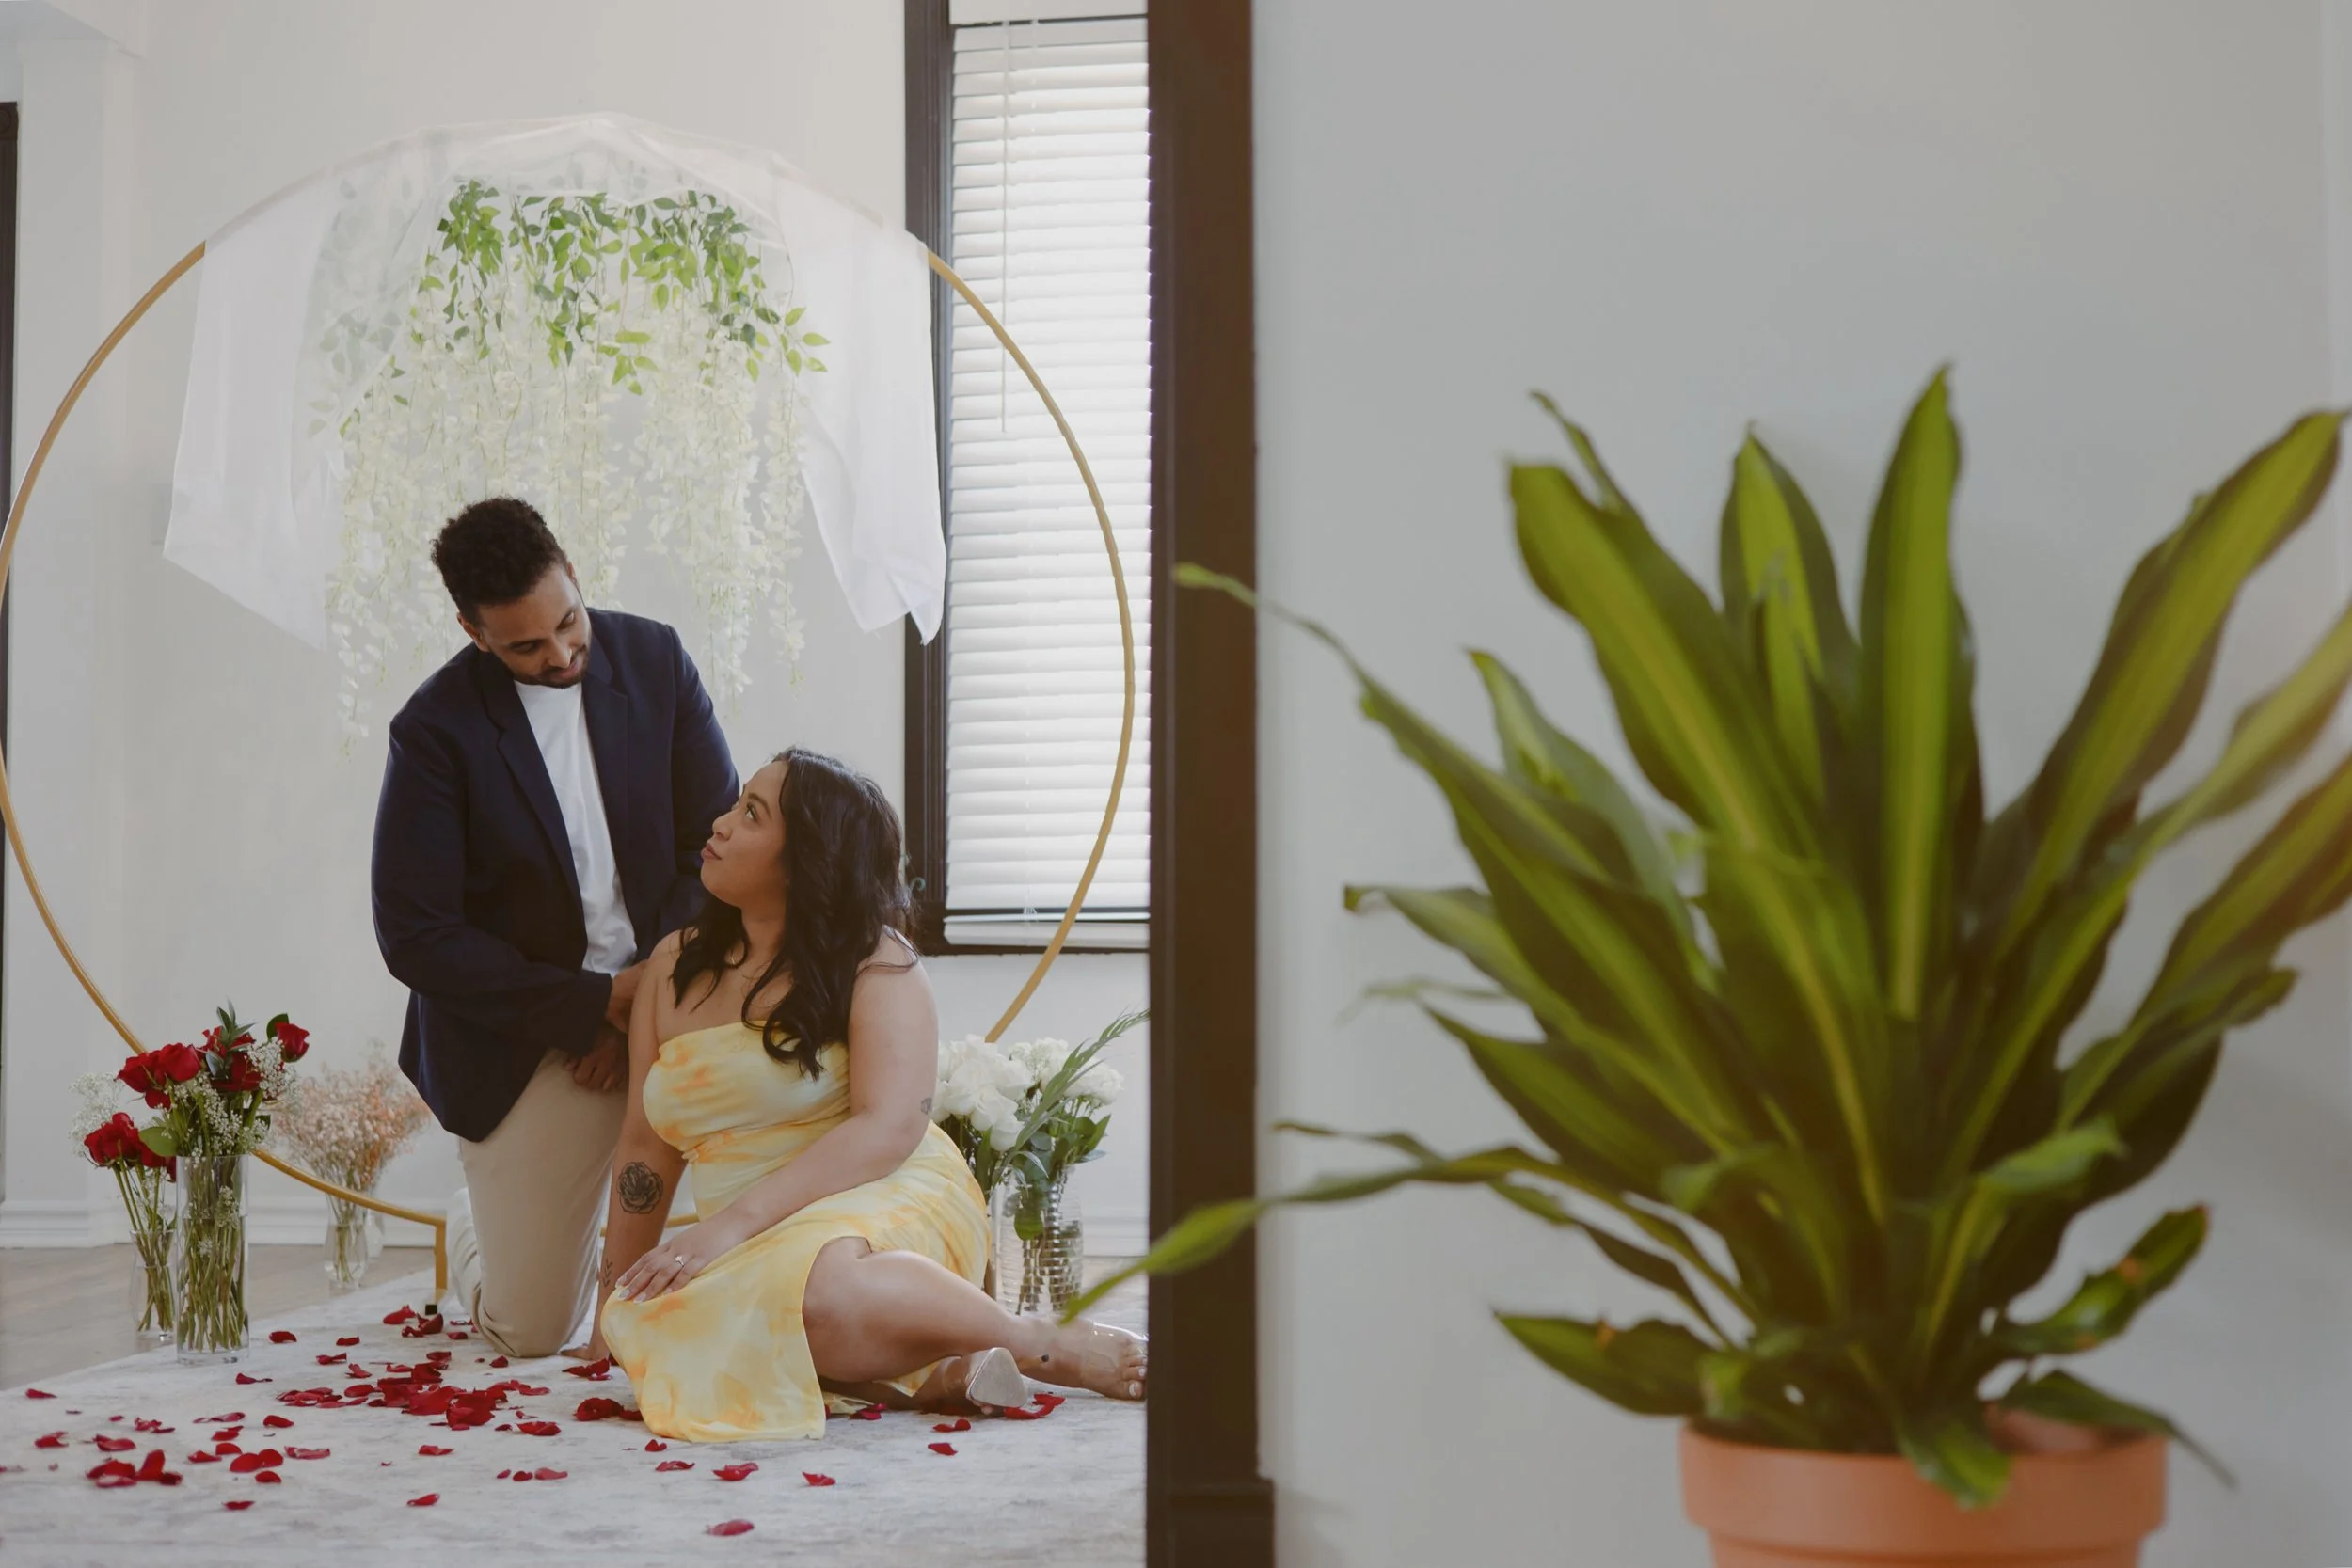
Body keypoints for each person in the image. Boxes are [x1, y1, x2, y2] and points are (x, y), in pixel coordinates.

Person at [584, 748, 1147, 1440]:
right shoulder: (673, 963)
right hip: (751, 1234)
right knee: (661, 1319)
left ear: (805, 862)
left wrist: (730, 1225)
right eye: (737, 803)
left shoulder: (879, 962)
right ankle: (942, 1373)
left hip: (883, 1191)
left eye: (752, 814)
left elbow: (886, 1129)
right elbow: (645, 1146)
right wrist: (610, 1301)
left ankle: (1037, 1338)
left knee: (815, 1290)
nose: (721, 823)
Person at [372, 497, 739, 1358]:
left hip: (672, 997)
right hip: (530, 1038)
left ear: (573, 570)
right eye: (527, 646)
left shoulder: (655, 659)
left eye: (568, 622)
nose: (563, 652)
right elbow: (416, 933)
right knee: (531, 1330)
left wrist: (639, 1007)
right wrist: (587, 1008)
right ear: (473, 631)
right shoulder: (433, 732)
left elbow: (718, 850)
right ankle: (476, 1227)